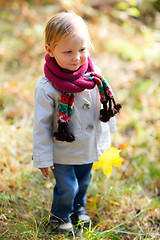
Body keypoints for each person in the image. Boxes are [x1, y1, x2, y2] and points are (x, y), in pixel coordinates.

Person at [32, 11, 121, 236]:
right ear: (50, 51)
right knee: (67, 186)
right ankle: (60, 215)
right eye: (68, 52)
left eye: (81, 50)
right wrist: (42, 156)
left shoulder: (94, 75)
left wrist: (106, 137)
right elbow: (41, 125)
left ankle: (78, 207)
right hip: (62, 148)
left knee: (83, 181)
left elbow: (101, 109)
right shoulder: (47, 87)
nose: (77, 58)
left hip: (88, 144)